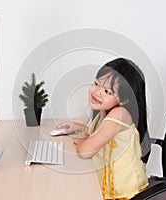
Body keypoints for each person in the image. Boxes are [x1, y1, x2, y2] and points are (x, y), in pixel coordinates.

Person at [56, 58, 149, 200]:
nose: (97, 92)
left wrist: (81, 142)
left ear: (124, 100)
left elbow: (85, 152)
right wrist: (77, 128)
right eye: (96, 84)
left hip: (127, 194)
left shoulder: (119, 114)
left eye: (107, 91)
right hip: (111, 189)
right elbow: (96, 132)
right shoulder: (106, 112)